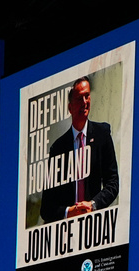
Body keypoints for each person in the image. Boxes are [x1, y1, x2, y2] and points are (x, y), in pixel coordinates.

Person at [39, 77, 119, 223]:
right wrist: (69, 212)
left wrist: (93, 205)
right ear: (70, 108)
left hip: (94, 227)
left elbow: (113, 183)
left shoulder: (103, 134)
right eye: (79, 98)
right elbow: (46, 208)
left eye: (87, 96)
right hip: (66, 232)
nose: (84, 102)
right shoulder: (57, 148)